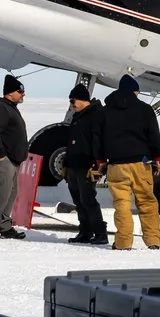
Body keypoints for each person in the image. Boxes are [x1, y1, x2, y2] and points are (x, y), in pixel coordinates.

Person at [99, 73, 160, 253]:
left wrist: (100, 161)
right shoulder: (145, 109)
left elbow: (97, 139)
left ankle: (123, 243)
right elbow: (154, 137)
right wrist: (157, 158)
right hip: (141, 164)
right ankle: (153, 241)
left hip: (116, 166)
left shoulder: (105, 111)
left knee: (121, 204)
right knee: (147, 202)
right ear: (135, 92)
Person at [0, 75, 30, 239]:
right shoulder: (1, 108)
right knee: (3, 191)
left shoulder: (11, 107)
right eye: (20, 91)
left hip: (13, 159)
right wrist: (1, 155)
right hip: (4, 159)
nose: (23, 94)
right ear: (10, 93)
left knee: (11, 192)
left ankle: (5, 226)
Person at [63, 83, 108, 246]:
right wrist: (66, 163)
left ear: (82, 100)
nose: (71, 105)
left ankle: (100, 233)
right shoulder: (78, 116)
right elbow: (72, 142)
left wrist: (98, 163)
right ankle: (85, 231)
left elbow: (98, 142)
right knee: (78, 200)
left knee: (88, 199)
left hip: (87, 165)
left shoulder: (96, 115)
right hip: (74, 164)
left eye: (73, 101)